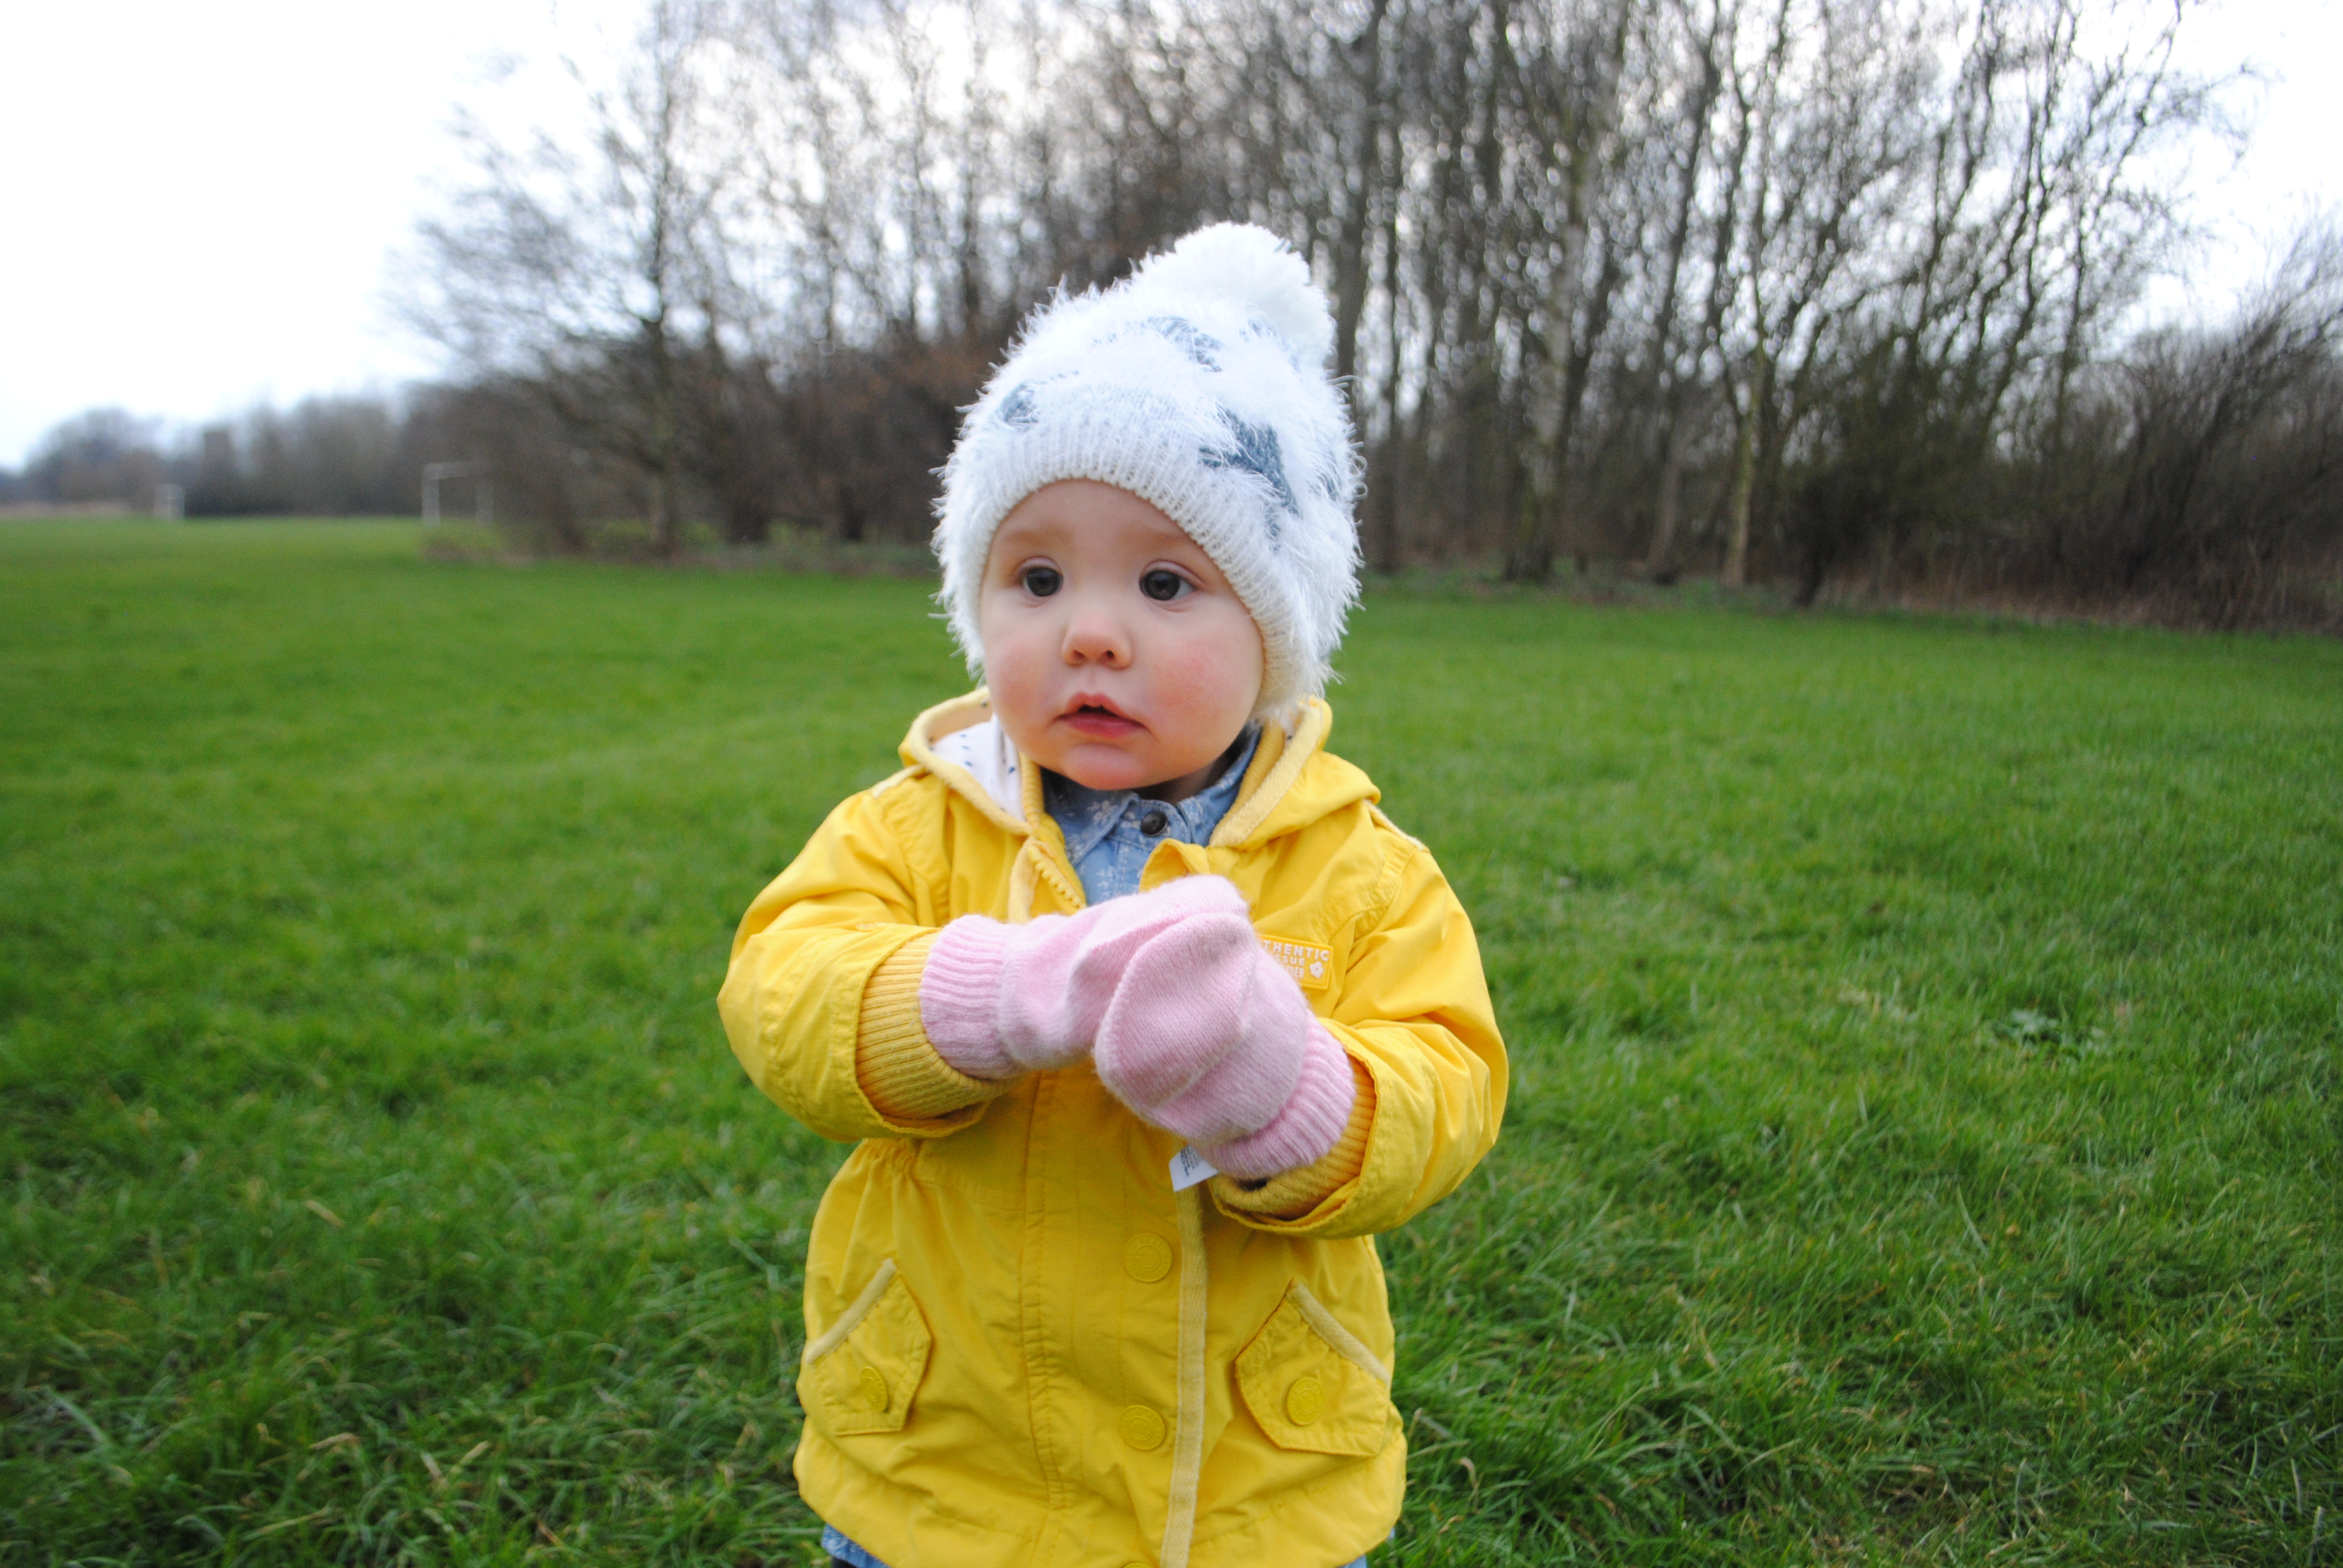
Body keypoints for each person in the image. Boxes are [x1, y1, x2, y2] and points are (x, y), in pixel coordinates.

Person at [719, 223, 1506, 1568]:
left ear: (1273, 640)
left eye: (1162, 581)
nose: (1089, 629)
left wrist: (1286, 1097)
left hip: (1241, 1495)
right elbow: (780, 992)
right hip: (945, 1477)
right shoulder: (913, 824)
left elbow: (1443, 1086)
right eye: (1036, 577)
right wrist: (984, 995)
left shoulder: (1359, 868)